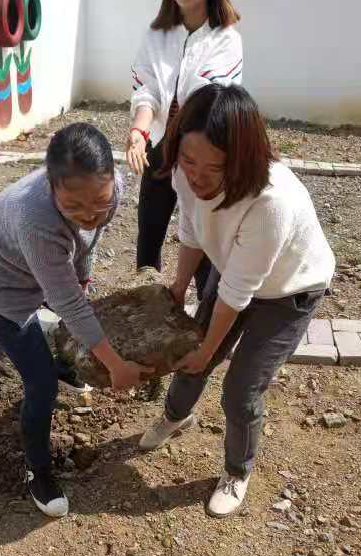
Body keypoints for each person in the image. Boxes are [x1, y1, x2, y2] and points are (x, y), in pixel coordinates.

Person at [138, 84, 336, 518]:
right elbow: (192, 231)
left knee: (240, 388)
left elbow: (237, 294)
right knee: (189, 354)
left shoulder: (270, 201)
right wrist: (178, 287)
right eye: (189, 160)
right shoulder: (184, 171)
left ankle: (236, 471)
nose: (197, 176)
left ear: (243, 159)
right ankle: (174, 416)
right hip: (235, 272)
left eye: (215, 167)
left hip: (289, 291)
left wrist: (209, 348)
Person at [0, 123, 152, 518]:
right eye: (74, 207)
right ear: (51, 187)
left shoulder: (110, 189)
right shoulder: (36, 221)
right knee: (41, 383)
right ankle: (37, 470)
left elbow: (88, 241)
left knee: (78, 314)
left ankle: (67, 362)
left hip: (36, 267)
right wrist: (116, 366)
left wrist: (83, 277)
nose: (89, 215)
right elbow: (67, 302)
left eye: (99, 203)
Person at [128, 0, 243, 299]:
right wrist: (139, 133)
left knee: (204, 232)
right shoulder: (156, 35)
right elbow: (147, 90)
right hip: (163, 143)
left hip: (202, 152)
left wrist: (182, 152)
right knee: (150, 230)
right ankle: (147, 302)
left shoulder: (226, 39)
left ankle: (208, 309)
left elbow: (208, 99)